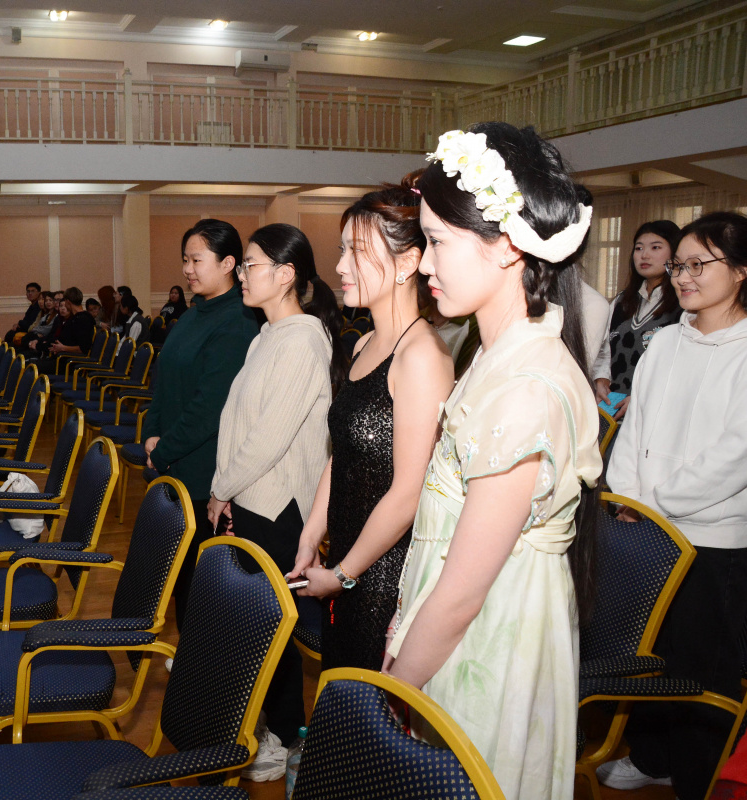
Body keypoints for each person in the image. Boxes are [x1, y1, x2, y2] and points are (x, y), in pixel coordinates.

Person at [384, 124, 602, 800]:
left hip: (489, 639)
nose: (423, 264)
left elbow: (462, 594)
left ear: (506, 246)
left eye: (437, 242)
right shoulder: (495, 354)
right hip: (463, 630)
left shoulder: (524, 389)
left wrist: (391, 690)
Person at [601, 212, 747, 799]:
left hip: (713, 538)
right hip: (647, 527)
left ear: (741, 271)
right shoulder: (665, 340)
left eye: (697, 265)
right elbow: (632, 427)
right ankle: (651, 756)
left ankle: (698, 779)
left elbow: (734, 454)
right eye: (679, 265)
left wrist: (655, 502)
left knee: (703, 665)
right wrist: (628, 496)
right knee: (651, 652)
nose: (682, 276)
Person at [287, 179, 453, 676]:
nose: (340, 267)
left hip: (385, 576)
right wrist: (311, 533)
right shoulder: (363, 345)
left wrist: (342, 573)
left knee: (368, 704)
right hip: (347, 557)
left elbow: (408, 492)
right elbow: (341, 454)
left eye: (356, 252)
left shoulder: (422, 356)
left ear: (407, 263)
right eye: (343, 251)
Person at [207, 222, 344, 781]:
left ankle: (288, 738)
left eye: (251, 265)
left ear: (286, 275)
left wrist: (222, 488)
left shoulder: (303, 340)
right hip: (253, 498)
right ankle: (270, 726)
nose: (242, 274)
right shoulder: (267, 335)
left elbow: (269, 438)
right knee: (257, 623)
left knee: (273, 628)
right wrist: (225, 488)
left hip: (280, 507)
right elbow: (236, 424)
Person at [143, 218, 259, 630]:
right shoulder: (194, 314)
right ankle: (186, 654)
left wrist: (163, 450)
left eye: (196, 260)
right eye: (185, 260)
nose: (187, 269)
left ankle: (198, 659)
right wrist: (150, 433)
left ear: (228, 264)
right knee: (178, 579)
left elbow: (210, 408)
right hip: (172, 461)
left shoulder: (237, 322)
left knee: (198, 585)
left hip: (201, 472)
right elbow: (163, 383)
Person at [594, 220, 683, 419]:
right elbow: (604, 348)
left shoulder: (683, 305)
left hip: (657, 412)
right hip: (613, 410)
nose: (644, 255)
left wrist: (642, 397)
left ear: (675, 254)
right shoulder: (620, 302)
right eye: (639, 248)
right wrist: (601, 378)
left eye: (655, 247)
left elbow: (682, 366)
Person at [46, 286, 96, 362]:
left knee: (34, 366)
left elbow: (83, 348)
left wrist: (63, 348)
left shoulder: (83, 319)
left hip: (71, 360)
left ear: (68, 302)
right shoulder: (75, 318)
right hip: (63, 356)